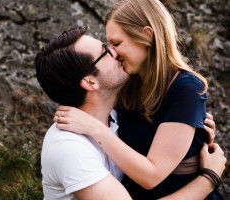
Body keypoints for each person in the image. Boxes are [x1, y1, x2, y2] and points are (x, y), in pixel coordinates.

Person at [53, 0, 226, 199]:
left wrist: (94, 128)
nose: (114, 53)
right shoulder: (127, 83)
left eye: (117, 44)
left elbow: (151, 175)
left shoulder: (186, 88)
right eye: (109, 45)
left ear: (146, 36)